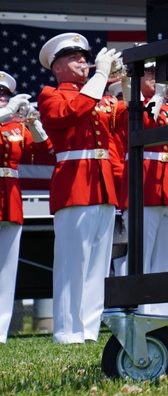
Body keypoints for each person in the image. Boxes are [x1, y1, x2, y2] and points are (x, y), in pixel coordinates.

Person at [36, 33, 125, 343]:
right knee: (73, 262)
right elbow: (72, 111)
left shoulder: (99, 97)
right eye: (74, 58)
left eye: (84, 57)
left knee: (99, 266)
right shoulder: (51, 95)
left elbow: (126, 126)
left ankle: (88, 329)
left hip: (101, 185)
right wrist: (100, 75)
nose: (83, 62)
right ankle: (66, 330)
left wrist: (126, 84)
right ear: (57, 67)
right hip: (75, 183)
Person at [118, 62, 168, 316]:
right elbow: (144, 124)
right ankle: (135, 311)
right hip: (143, 187)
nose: (154, 78)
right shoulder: (132, 104)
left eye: (157, 74)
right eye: (148, 73)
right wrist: (158, 96)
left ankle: (159, 314)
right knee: (141, 256)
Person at [0, 71, 50, 342]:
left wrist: (32, 122)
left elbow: (44, 150)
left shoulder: (13, 126)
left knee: (6, 271)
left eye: (5, 95)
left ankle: (0, 332)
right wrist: (8, 111)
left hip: (11, 200)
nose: (3, 99)